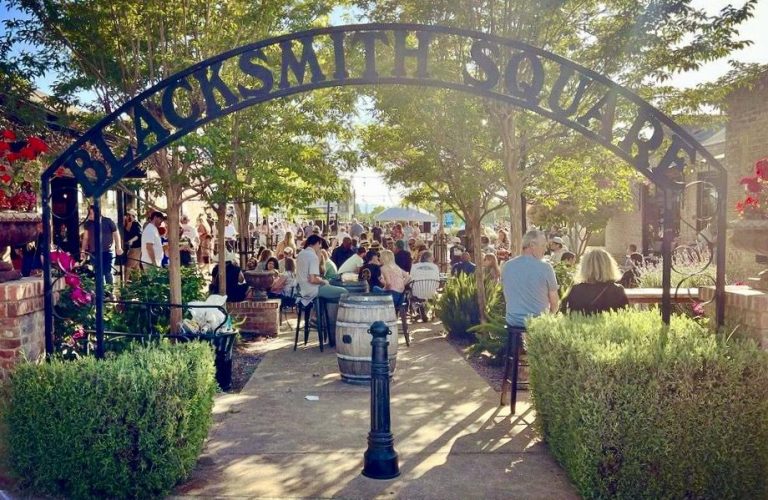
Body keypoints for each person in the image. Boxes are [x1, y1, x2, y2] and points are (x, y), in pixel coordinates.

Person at [502, 230, 559, 329]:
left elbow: (507, 296)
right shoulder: (545, 268)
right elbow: (554, 303)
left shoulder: (507, 266)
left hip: (513, 324)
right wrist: (548, 317)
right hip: (537, 325)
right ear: (532, 245)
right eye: (543, 245)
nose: (545, 249)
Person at [561, 248, 629, 314]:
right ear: (609, 266)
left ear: (584, 267)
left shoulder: (575, 290)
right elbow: (625, 316)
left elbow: (565, 314)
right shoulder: (617, 290)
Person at [296, 234, 347, 304]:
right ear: (317, 243)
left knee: (328, 289)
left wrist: (318, 252)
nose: (320, 247)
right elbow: (313, 279)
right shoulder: (312, 256)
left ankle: (321, 312)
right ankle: (333, 314)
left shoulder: (301, 254)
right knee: (344, 291)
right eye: (320, 246)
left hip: (301, 288)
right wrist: (324, 282)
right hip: (312, 289)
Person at [82, 205, 123, 287]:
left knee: (108, 272)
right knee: (98, 273)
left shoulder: (108, 221)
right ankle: (102, 294)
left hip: (108, 251)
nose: (89, 215)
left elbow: (116, 234)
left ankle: (110, 293)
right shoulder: (88, 224)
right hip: (94, 252)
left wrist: (118, 247)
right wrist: (83, 250)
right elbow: (85, 238)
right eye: (88, 213)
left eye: (91, 213)